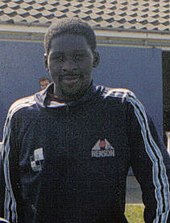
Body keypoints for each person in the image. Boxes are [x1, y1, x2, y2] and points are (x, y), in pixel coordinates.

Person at [1, 18, 170, 223]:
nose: (69, 66)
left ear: (95, 59)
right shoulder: (21, 115)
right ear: (46, 61)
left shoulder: (123, 107)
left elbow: (159, 182)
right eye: (59, 58)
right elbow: (10, 195)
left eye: (79, 57)